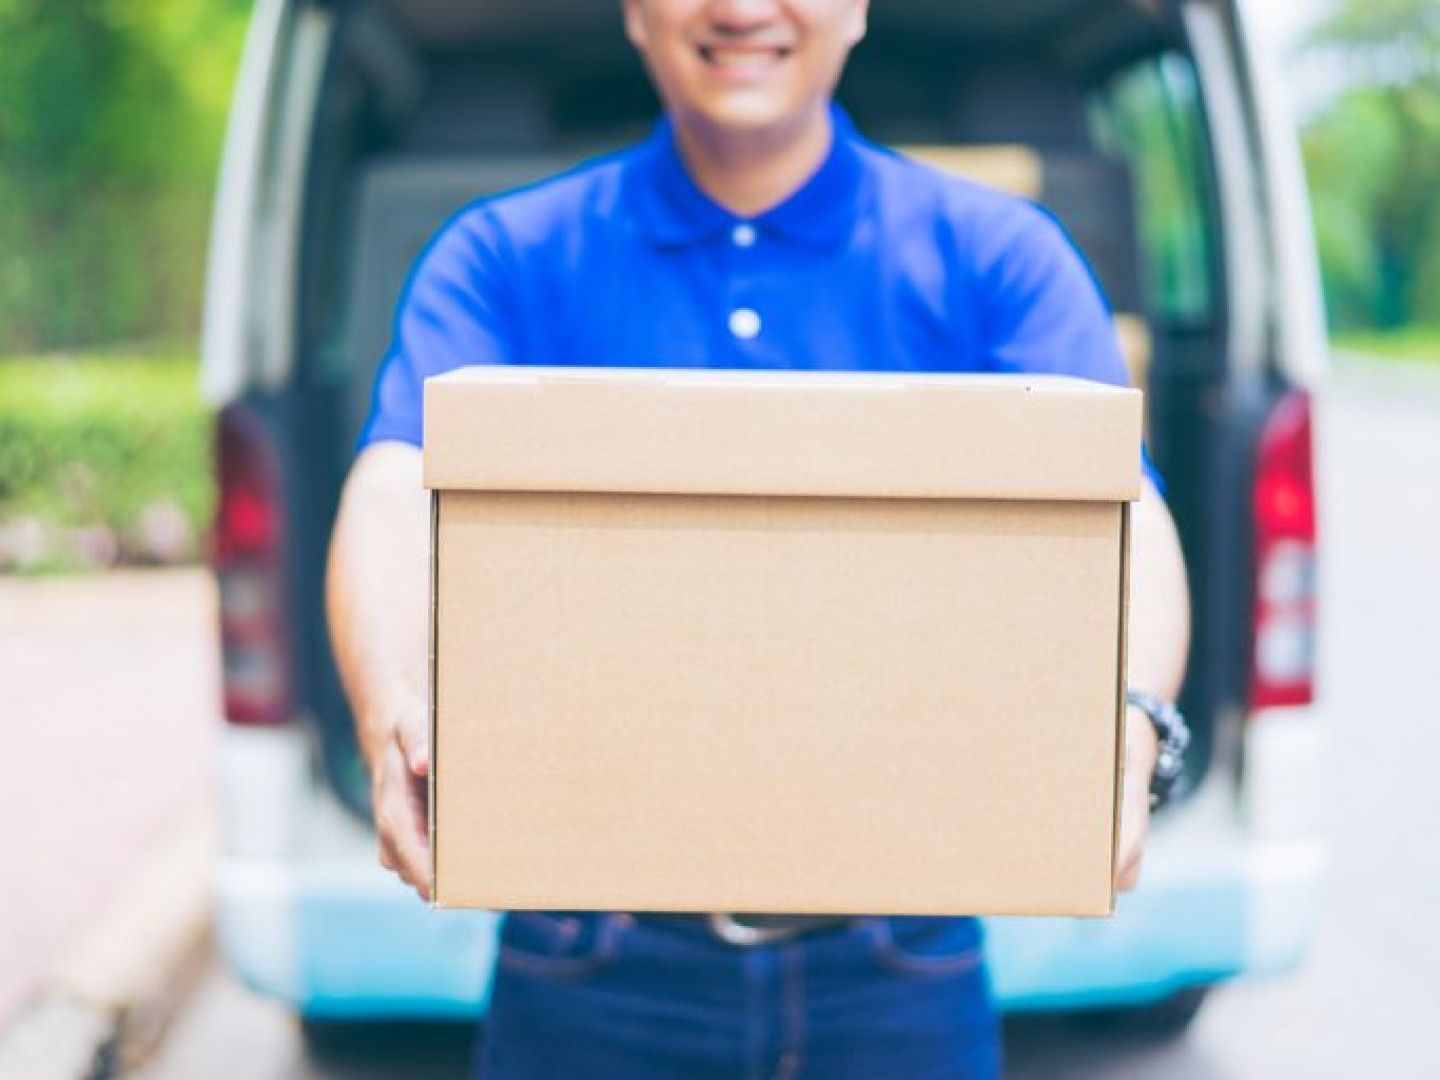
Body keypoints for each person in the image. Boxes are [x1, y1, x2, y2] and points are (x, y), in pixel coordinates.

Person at [326, 0, 1192, 1075]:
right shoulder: (504, 256)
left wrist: (1134, 716)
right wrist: (387, 709)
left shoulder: (996, 254)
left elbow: (1125, 509)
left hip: (901, 950)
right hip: (585, 950)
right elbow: (394, 484)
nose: (741, 8)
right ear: (635, 11)